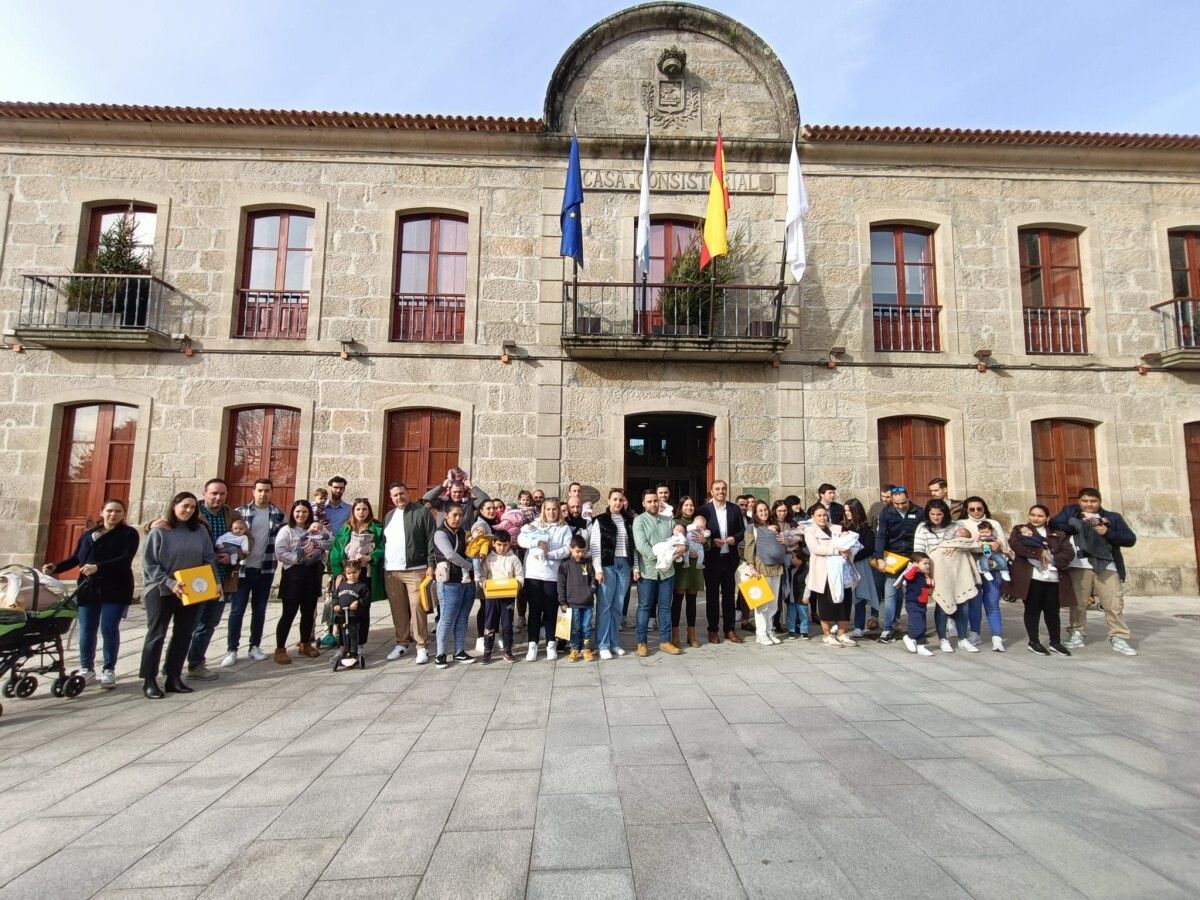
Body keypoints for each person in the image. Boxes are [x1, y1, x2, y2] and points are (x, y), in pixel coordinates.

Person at [43, 497, 139, 688]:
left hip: (116, 587)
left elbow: (125, 558)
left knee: (109, 627)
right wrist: (55, 567)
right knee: (87, 629)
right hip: (89, 588)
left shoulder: (128, 534)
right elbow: (76, 558)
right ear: (102, 512)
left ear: (124, 514)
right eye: (110, 511)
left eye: (118, 511)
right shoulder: (89, 535)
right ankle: (87, 668)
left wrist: (98, 567)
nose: (113, 514)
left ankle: (109, 669)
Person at [140, 492, 217, 699]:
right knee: (157, 634)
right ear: (174, 506)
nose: (188, 510)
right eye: (185, 506)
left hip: (190, 590)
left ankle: (173, 676)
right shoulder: (159, 531)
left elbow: (209, 558)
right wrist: (170, 583)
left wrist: (214, 582)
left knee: (183, 633)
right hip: (160, 590)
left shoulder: (200, 531)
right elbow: (150, 564)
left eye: (192, 507)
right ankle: (149, 679)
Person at [1051, 488, 1138, 656]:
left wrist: (1108, 532)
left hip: (1106, 564)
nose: (1089, 504)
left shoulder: (1112, 517)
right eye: (1085, 501)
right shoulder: (1071, 512)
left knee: (1114, 603)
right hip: (1079, 564)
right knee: (1078, 602)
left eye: (1093, 501)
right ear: (1079, 501)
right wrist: (1077, 524)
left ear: (1099, 501)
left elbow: (1130, 539)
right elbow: (1054, 524)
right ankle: (1077, 633)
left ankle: (1119, 637)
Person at [220, 479, 285, 668]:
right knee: (237, 609)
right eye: (260, 490)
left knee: (260, 609)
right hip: (242, 569)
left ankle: (254, 646)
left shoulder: (278, 514)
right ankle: (232, 649)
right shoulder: (240, 513)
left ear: (272, 492)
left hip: (265, 568)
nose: (263, 494)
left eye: (267, 491)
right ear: (253, 492)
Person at [1010, 504, 1077, 656]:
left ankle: (1055, 642)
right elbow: (1016, 545)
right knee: (1033, 610)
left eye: (1040, 516)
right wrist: (1039, 552)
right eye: (1032, 514)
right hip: (1032, 577)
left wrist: (1052, 557)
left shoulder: (1057, 533)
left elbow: (1068, 553)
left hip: (1053, 578)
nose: (1035, 518)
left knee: (1053, 611)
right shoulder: (1020, 529)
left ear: (1047, 518)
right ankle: (1033, 641)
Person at [381, 482, 436, 665]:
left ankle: (422, 645)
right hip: (392, 571)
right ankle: (402, 642)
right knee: (398, 609)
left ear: (408, 492)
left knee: (417, 606)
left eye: (402, 494)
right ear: (391, 497)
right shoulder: (389, 516)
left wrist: (431, 564)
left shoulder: (421, 512)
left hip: (416, 569)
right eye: (395, 495)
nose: (399, 498)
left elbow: (431, 537)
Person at [272, 499, 331, 664]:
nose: (301, 515)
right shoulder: (286, 530)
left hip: (312, 574)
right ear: (292, 513)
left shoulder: (316, 527)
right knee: (289, 613)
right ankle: (280, 649)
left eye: (304, 512)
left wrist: (318, 540)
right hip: (293, 575)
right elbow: (281, 553)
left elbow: (329, 542)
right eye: (298, 511)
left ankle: (305, 644)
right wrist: (300, 557)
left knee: (308, 611)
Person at [921, 502, 981, 653]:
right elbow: (919, 551)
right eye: (933, 514)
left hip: (958, 570)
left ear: (945, 514)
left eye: (939, 514)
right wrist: (926, 573)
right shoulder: (923, 528)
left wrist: (955, 545)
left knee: (963, 604)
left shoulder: (956, 525)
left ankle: (962, 639)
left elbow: (970, 542)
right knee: (941, 605)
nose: (936, 517)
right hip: (937, 570)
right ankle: (943, 639)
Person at [518, 497, 572, 661]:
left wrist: (551, 554)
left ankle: (551, 643)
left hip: (552, 574)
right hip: (534, 574)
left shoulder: (564, 528)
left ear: (559, 511)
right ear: (543, 510)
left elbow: (567, 549)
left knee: (550, 610)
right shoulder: (535, 524)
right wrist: (537, 542)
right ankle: (532, 644)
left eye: (554, 509)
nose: (551, 512)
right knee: (534, 610)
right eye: (548, 509)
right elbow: (521, 539)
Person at [329, 498, 385, 654]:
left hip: (365, 575)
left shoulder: (377, 528)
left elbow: (382, 549)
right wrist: (338, 573)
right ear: (353, 511)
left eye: (364, 509)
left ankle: (359, 643)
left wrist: (370, 557)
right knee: (343, 609)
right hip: (347, 576)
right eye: (358, 509)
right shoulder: (346, 529)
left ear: (369, 511)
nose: (361, 512)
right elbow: (335, 552)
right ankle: (343, 644)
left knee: (361, 609)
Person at [632, 489, 683, 656]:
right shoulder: (639, 521)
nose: (653, 504)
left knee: (665, 607)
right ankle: (642, 642)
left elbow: (679, 538)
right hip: (648, 571)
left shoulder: (669, 521)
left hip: (667, 572)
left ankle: (665, 641)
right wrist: (663, 555)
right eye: (650, 501)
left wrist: (682, 547)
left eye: (655, 501)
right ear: (643, 504)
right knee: (645, 607)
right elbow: (641, 546)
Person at [956, 496, 1010, 651]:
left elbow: (1002, 545)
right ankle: (975, 633)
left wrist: (999, 558)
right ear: (966, 510)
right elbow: (962, 545)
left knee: (992, 602)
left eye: (979, 508)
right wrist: (979, 546)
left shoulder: (994, 524)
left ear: (984, 508)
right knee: (974, 603)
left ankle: (997, 637)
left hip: (993, 567)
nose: (976, 511)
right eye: (972, 509)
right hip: (971, 568)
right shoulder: (962, 524)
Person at [874, 485, 924, 643]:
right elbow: (881, 535)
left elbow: (924, 533)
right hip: (893, 556)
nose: (901, 506)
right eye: (897, 504)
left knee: (914, 594)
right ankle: (888, 628)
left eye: (903, 502)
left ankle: (917, 629)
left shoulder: (919, 512)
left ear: (908, 498)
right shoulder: (886, 512)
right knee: (890, 593)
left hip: (913, 556)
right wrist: (879, 557)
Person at [698, 480, 745, 644]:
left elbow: (742, 531)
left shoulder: (734, 508)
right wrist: (711, 539)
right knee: (711, 596)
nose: (721, 491)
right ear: (711, 491)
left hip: (729, 558)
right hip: (712, 559)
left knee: (729, 596)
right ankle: (712, 630)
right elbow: (699, 532)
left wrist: (735, 538)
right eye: (717, 489)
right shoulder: (704, 510)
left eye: (724, 488)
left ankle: (730, 629)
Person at [590, 488, 634, 660]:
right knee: (604, 606)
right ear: (608, 501)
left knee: (618, 605)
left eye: (620, 500)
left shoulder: (629, 520)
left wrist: (635, 567)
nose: (618, 503)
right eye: (615, 499)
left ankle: (614, 642)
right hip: (608, 565)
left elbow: (633, 547)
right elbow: (595, 546)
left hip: (624, 565)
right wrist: (598, 569)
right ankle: (603, 644)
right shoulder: (600, 520)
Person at [805, 505, 857, 648]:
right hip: (824, 571)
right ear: (813, 517)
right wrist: (837, 550)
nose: (822, 518)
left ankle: (841, 633)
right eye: (819, 515)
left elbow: (848, 544)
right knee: (826, 603)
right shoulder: (810, 531)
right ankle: (827, 635)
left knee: (845, 602)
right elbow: (815, 548)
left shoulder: (836, 528)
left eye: (824, 515)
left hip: (842, 570)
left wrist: (849, 549)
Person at [432, 503, 475, 668]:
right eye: (454, 515)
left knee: (463, 617)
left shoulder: (463, 533)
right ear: (446, 516)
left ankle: (459, 651)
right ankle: (440, 654)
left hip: (466, 581)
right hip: (449, 581)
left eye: (460, 515)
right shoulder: (440, 534)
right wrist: (469, 566)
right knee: (447, 618)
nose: (457, 518)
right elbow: (449, 554)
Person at [742, 499, 788, 646]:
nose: (763, 512)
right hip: (761, 567)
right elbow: (749, 548)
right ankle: (761, 633)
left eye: (765, 509)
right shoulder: (752, 528)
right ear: (755, 513)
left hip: (776, 567)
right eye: (760, 510)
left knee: (774, 603)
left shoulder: (774, 526)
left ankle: (769, 630)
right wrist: (751, 566)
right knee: (762, 603)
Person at [481, 530, 523, 662]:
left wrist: (518, 583)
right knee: (489, 623)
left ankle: (507, 650)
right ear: (493, 543)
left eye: (505, 545)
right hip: (492, 597)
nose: (502, 548)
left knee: (507, 624)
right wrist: (483, 583)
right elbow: (482, 575)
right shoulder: (488, 558)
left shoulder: (513, 558)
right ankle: (487, 650)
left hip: (507, 597)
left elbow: (520, 575)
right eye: (499, 544)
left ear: (509, 544)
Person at [671, 496, 705, 649]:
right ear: (681, 507)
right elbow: (670, 542)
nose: (689, 508)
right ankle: (675, 634)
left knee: (692, 601)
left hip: (694, 567)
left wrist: (704, 542)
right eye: (686, 505)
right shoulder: (675, 522)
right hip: (681, 567)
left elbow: (706, 543)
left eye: (691, 505)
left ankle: (692, 635)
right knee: (677, 601)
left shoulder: (698, 523)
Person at [842, 499, 879, 639]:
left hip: (860, 564)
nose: (847, 514)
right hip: (845, 564)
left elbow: (869, 547)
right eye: (845, 511)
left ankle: (858, 626)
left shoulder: (865, 528)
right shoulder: (843, 526)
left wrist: (854, 555)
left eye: (849, 511)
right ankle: (842, 624)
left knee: (860, 596)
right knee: (844, 595)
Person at [558, 534, 597, 661]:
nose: (580, 554)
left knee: (586, 626)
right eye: (577, 551)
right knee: (575, 627)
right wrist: (562, 601)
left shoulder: (588, 563)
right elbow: (561, 584)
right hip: (572, 602)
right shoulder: (565, 565)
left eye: (582, 551)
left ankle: (586, 648)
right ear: (571, 549)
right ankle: (574, 648)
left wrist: (591, 590)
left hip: (587, 602)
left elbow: (593, 579)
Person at [332, 558, 370, 668]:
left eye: (354, 572)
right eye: (349, 573)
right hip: (343, 615)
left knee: (353, 633)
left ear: (359, 572)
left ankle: (354, 651)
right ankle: (344, 650)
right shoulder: (342, 586)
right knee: (344, 633)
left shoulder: (362, 586)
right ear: (345, 573)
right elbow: (335, 597)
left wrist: (358, 602)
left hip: (354, 616)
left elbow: (366, 599)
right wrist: (335, 605)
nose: (352, 575)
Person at [901, 553, 935, 656]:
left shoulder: (923, 575)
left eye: (928, 563)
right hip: (913, 603)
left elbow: (927, 588)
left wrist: (929, 582)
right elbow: (907, 577)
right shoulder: (913, 573)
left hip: (922, 604)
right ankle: (909, 637)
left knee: (922, 626)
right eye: (925, 563)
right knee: (917, 625)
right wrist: (914, 568)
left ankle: (921, 646)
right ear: (916, 564)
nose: (927, 566)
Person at [424, 478, 490, 528]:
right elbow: (426, 498)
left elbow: (486, 500)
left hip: (464, 538)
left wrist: (472, 487)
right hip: (444, 536)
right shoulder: (442, 502)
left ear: (463, 492)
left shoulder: (469, 503)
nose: (457, 494)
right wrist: (442, 487)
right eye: (454, 492)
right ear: (450, 491)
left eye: (460, 492)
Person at [780, 546, 810, 639]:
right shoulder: (790, 569)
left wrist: (806, 596)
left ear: (800, 560)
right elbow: (787, 583)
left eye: (793, 557)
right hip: (791, 597)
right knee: (791, 615)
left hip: (801, 597)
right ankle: (791, 631)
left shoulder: (806, 570)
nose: (791, 559)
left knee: (803, 615)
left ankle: (804, 631)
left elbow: (808, 585)